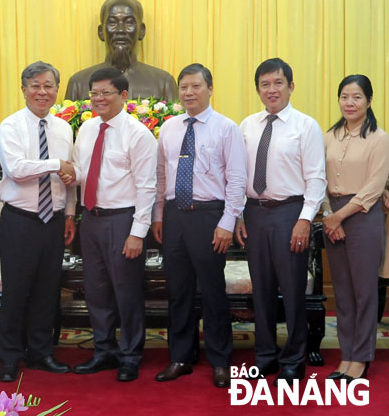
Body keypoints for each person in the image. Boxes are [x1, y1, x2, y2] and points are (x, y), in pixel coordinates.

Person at [152, 64, 247, 388]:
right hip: (175, 215)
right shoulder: (169, 127)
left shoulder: (226, 128)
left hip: (210, 216)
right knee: (177, 290)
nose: (189, 93)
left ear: (209, 88)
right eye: (184, 87)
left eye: (195, 86)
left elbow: (236, 178)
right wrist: (159, 215)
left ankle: (220, 359)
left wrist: (227, 221)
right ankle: (181, 356)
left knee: (212, 291)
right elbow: (162, 176)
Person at [235, 58, 326, 385]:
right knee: (261, 291)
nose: (271, 89)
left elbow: (316, 179)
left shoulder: (306, 126)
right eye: (265, 84)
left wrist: (305, 220)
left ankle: (294, 359)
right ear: (258, 89)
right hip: (255, 214)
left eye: (277, 83)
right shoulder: (247, 125)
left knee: (292, 291)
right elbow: (238, 176)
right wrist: (239, 215)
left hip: (291, 213)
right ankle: (265, 356)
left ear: (290, 86)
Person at [71, 67, 157, 382]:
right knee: (95, 291)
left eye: (106, 92)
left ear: (123, 96)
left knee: (127, 293)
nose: (99, 98)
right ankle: (103, 352)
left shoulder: (139, 135)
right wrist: (69, 175)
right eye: (94, 93)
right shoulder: (87, 129)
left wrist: (137, 234)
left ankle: (131, 355)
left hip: (123, 220)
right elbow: (83, 173)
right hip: (91, 220)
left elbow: (148, 188)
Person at [0, 61, 76, 382]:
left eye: (49, 86)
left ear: (57, 90)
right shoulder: (11, 126)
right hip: (20, 220)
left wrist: (69, 214)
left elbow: (69, 178)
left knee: (47, 291)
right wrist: (56, 163)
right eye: (35, 85)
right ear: (24, 89)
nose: (42, 92)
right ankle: (9, 357)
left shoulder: (64, 128)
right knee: (16, 292)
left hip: (53, 221)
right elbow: (17, 169)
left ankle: (41, 353)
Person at [321, 75, 389, 381]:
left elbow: (375, 186)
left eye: (357, 97)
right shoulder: (328, 136)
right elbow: (316, 177)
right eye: (345, 96)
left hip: (363, 215)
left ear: (369, 101)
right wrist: (326, 214)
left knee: (364, 291)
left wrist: (339, 216)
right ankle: (346, 355)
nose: (350, 103)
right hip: (331, 214)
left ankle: (361, 358)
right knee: (343, 292)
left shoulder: (379, 138)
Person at [65, 0, 177, 101]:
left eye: (129, 23)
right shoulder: (79, 83)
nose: (120, 30)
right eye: (112, 23)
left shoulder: (163, 82)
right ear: (101, 32)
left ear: (141, 31)